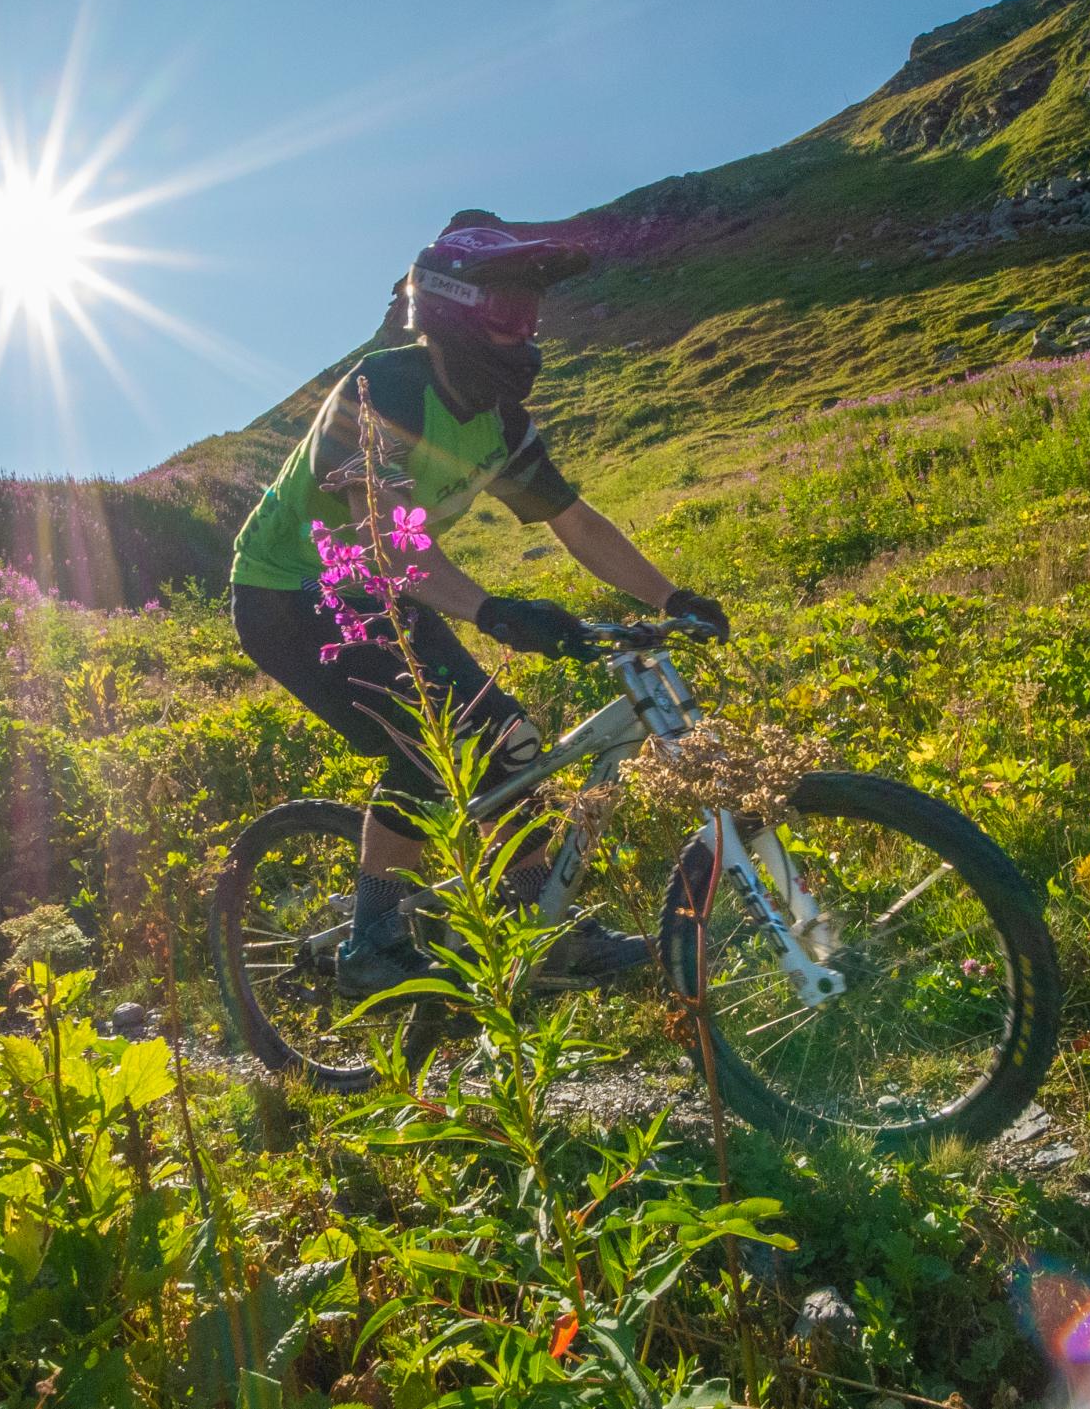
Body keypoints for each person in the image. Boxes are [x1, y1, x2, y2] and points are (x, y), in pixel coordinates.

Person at [229, 210, 729, 996]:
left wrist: (673, 595)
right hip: (290, 594)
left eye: (532, 312)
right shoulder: (384, 390)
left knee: (511, 742)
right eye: (508, 309)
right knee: (431, 748)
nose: (526, 331)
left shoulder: (500, 424)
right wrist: (493, 611)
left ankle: (542, 930)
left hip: (389, 594)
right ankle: (370, 944)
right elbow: (382, 538)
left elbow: (575, 522)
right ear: (452, 309)